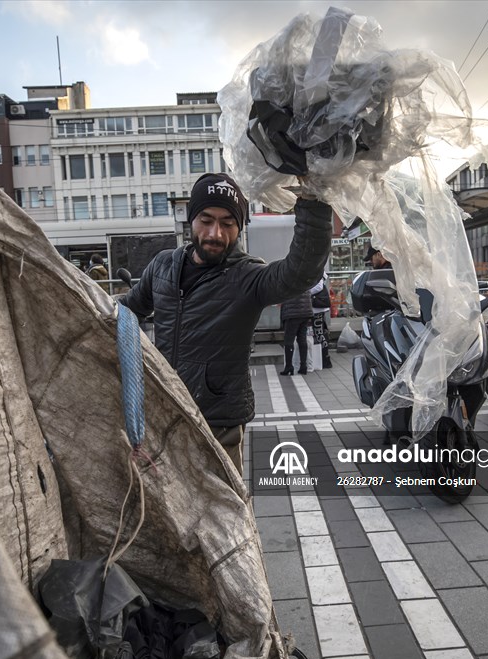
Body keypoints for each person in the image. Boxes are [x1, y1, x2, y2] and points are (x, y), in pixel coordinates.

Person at [122, 173, 332, 474]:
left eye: (227, 223)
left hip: (219, 425)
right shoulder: (163, 266)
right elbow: (127, 311)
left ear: (239, 227)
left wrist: (313, 200)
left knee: (223, 515)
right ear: (192, 220)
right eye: (206, 220)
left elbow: (299, 273)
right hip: (162, 416)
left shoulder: (247, 276)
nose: (215, 234)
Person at [280, 289, 314, 376]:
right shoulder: (304, 277)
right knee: (302, 339)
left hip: (292, 312)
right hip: (306, 311)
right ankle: (303, 366)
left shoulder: (288, 277)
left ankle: (289, 366)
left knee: (289, 340)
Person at [311, 275, 332, 369]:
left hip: (317, 307)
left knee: (319, 333)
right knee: (319, 332)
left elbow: (318, 287)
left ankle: (325, 359)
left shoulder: (317, 269)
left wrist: (304, 292)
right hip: (317, 306)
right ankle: (323, 358)